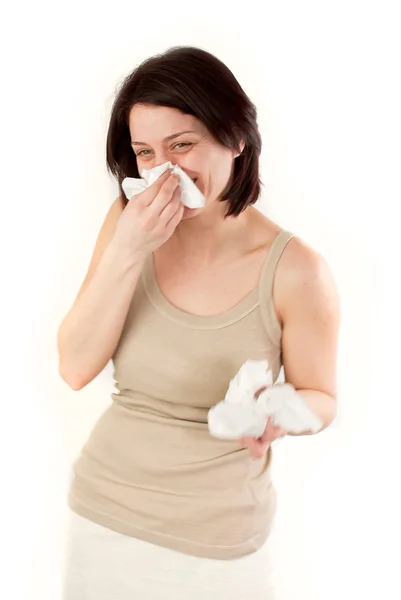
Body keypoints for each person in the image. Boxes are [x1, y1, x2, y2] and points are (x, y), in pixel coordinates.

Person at [58, 46, 340, 599]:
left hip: (221, 545)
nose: (164, 169)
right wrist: (128, 250)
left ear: (235, 138)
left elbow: (322, 395)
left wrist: (282, 413)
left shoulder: (297, 271)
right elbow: (73, 367)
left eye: (182, 145)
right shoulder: (127, 223)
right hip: (102, 517)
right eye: (145, 152)